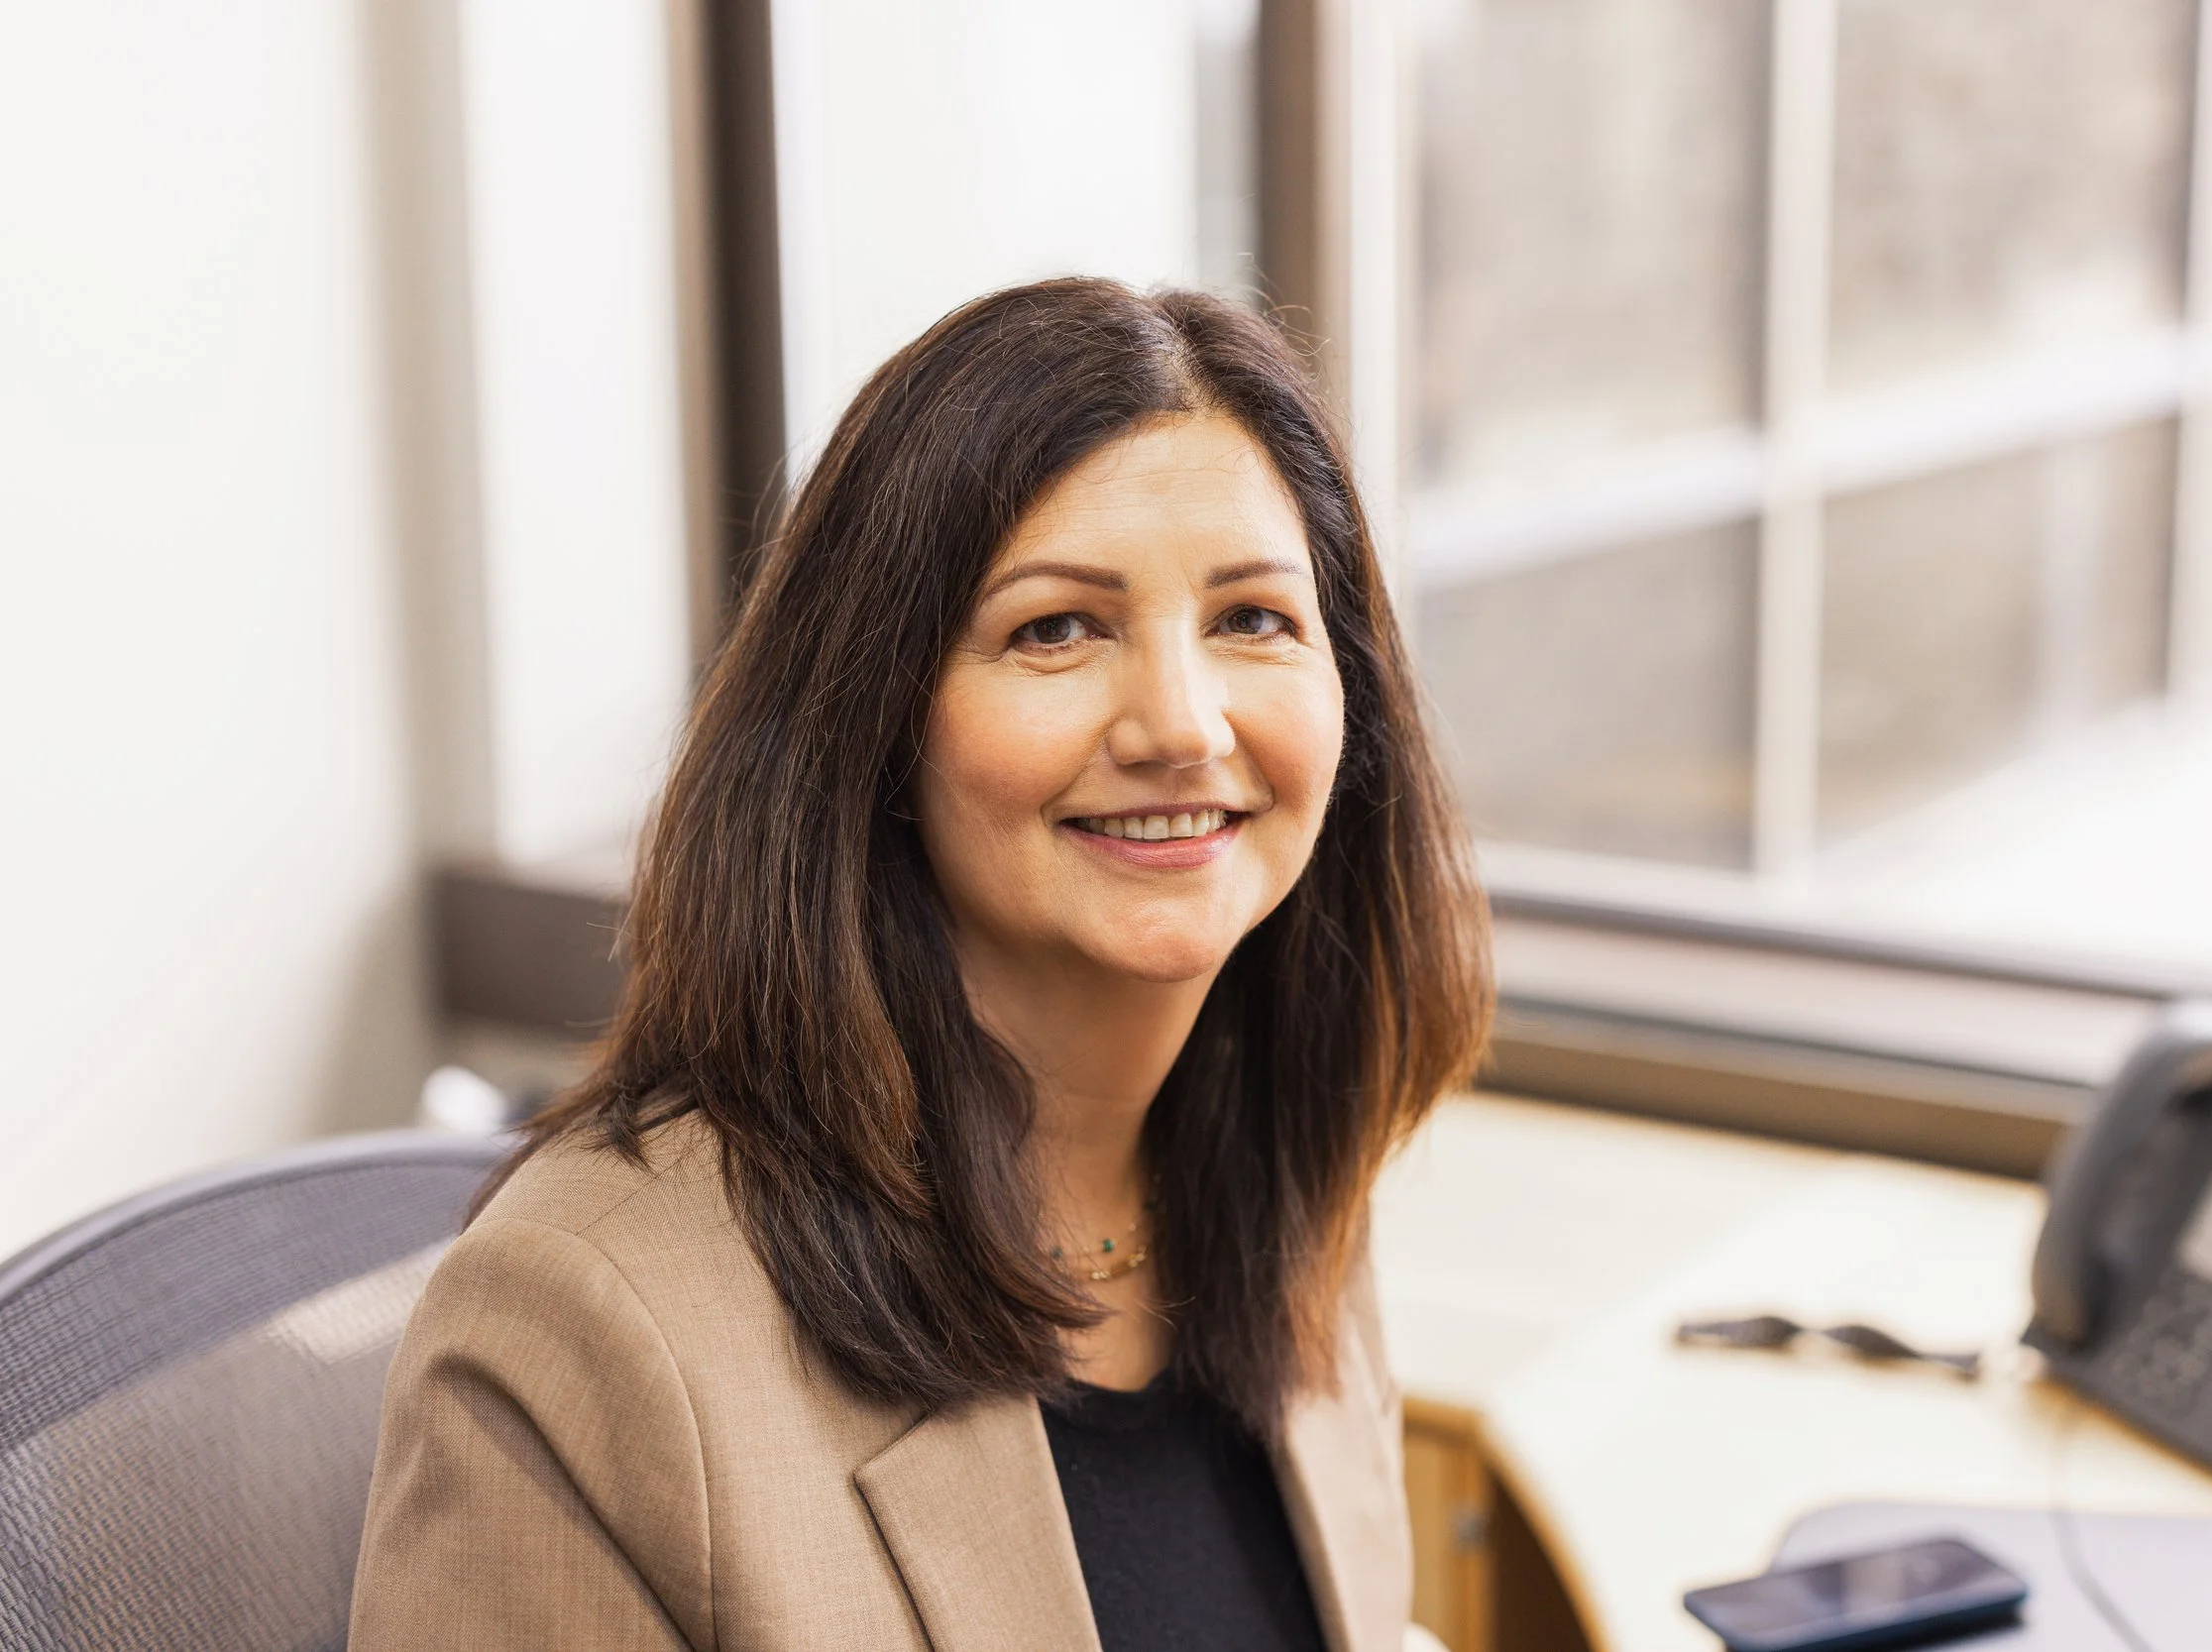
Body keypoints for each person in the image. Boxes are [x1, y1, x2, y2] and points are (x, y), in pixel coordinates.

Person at [347, 277, 1492, 1651]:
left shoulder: (1279, 1169)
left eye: (1252, 618)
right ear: (878, 727)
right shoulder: (589, 1329)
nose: (1183, 724)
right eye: (1056, 628)